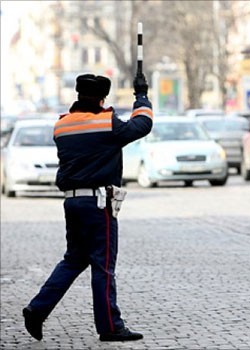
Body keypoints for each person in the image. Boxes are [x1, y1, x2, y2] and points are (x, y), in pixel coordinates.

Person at [22, 72, 153, 342]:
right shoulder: (106, 123)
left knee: (74, 259)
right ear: (102, 98)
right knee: (102, 266)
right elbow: (142, 125)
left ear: (78, 94)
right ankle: (110, 327)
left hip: (72, 202)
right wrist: (141, 94)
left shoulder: (62, 126)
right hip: (98, 203)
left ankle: (37, 309)